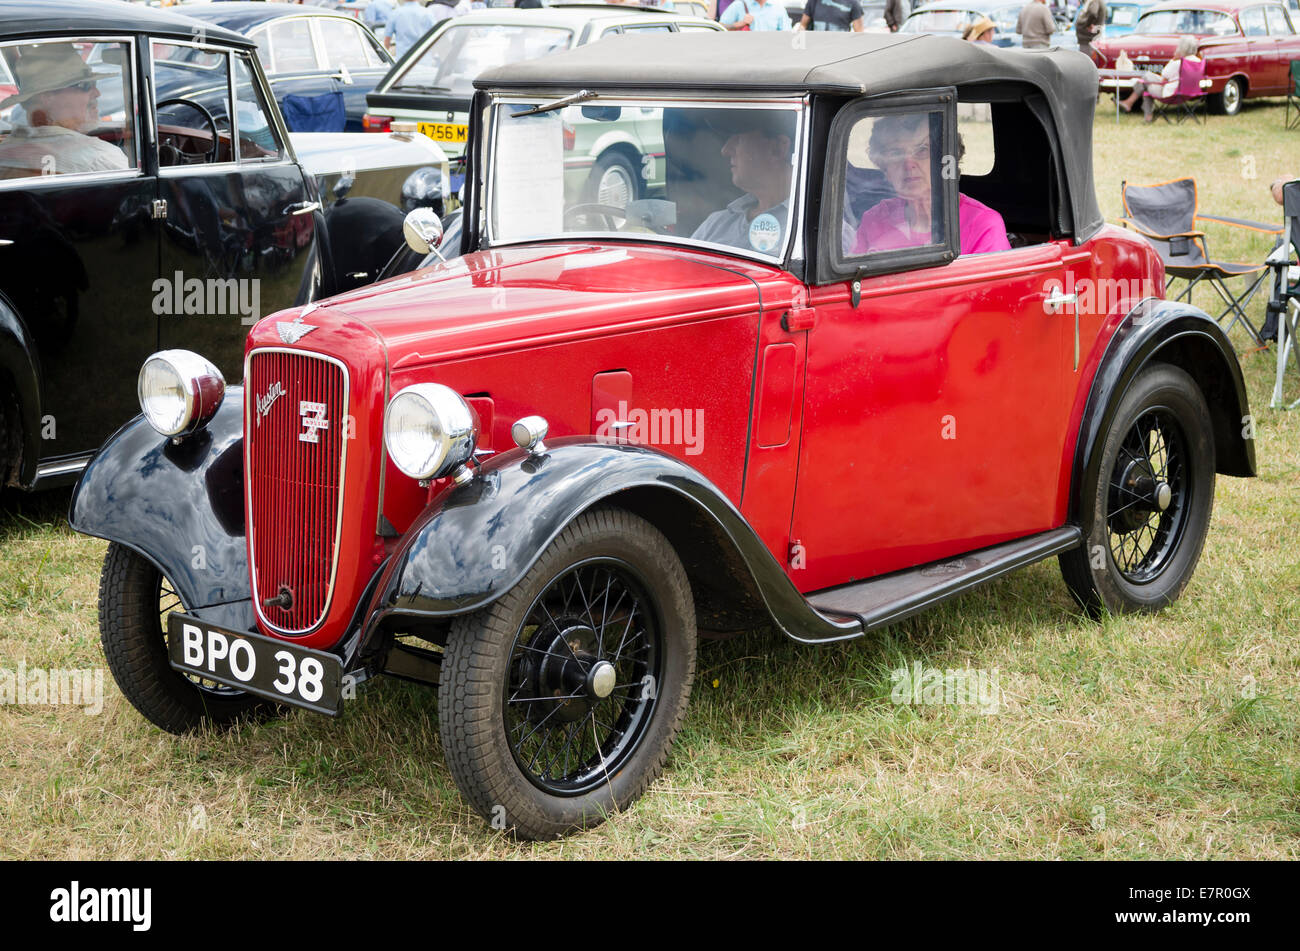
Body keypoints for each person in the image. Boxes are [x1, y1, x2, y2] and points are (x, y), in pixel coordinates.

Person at [850, 113, 1010, 256]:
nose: (908, 164)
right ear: (884, 167)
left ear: (946, 161)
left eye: (922, 150)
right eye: (895, 153)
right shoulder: (874, 220)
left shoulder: (982, 225)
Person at [0, 45, 128, 177]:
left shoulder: (6, 150)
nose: (97, 93)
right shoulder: (99, 158)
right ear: (47, 96)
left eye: (94, 84)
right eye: (85, 86)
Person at [692, 111, 796, 254]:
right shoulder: (716, 223)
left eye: (738, 139)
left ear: (777, 149)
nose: (725, 150)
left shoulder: (810, 227)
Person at [1118, 35, 1199, 122]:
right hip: (1190, 92)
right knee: (1146, 79)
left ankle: (1142, 113)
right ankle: (1129, 103)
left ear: (1182, 49)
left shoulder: (1178, 62)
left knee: (1145, 83)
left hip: (1172, 94)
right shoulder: (1198, 62)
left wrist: (1173, 59)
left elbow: (1163, 77)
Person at [721, 0, 792, 31]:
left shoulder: (778, 9)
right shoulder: (739, 5)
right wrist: (740, 24)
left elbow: (786, 36)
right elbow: (719, 27)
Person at [799, 0, 865, 32]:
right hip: (817, 48)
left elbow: (859, 32)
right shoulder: (814, 1)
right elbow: (802, 26)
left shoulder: (853, 3)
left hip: (840, 50)